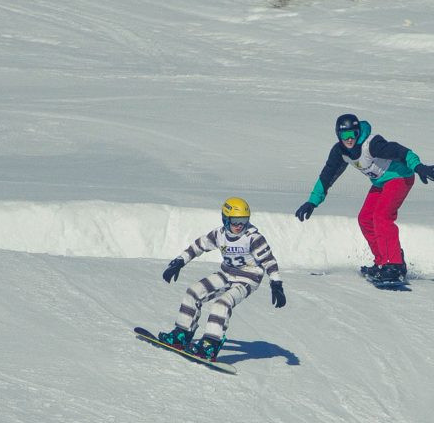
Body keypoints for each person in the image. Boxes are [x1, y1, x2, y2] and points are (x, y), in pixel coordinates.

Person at [295, 114, 434, 282]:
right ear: (338, 135)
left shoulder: (372, 144)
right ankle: (383, 261)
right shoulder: (340, 152)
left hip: (400, 177)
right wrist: (312, 202)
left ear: (358, 132)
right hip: (381, 183)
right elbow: (326, 177)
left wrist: (419, 167)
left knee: (382, 216)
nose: (349, 139)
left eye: (352, 134)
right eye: (344, 135)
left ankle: (394, 264)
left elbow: (401, 151)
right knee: (365, 219)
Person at [158, 197, 286, 361]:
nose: (240, 225)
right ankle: (182, 334)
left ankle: (210, 344)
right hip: (226, 274)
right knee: (193, 292)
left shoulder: (253, 238)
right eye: (235, 221)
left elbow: (269, 261)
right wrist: (179, 262)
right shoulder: (220, 234)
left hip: (248, 279)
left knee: (222, 304)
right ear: (225, 219)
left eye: (244, 220)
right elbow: (199, 245)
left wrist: (276, 284)